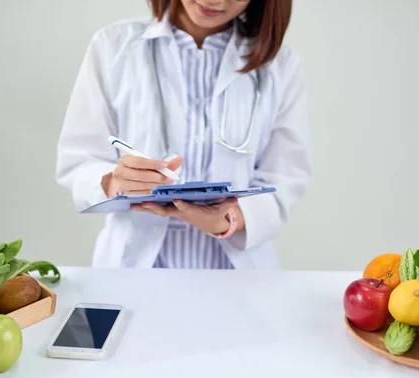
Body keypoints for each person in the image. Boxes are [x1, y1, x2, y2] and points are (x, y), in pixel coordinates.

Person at [55, 0, 311, 270]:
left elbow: (286, 176)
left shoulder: (280, 64)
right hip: (133, 269)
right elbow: (79, 160)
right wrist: (113, 182)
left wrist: (227, 219)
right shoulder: (112, 46)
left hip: (237, 275)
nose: (216, 1)